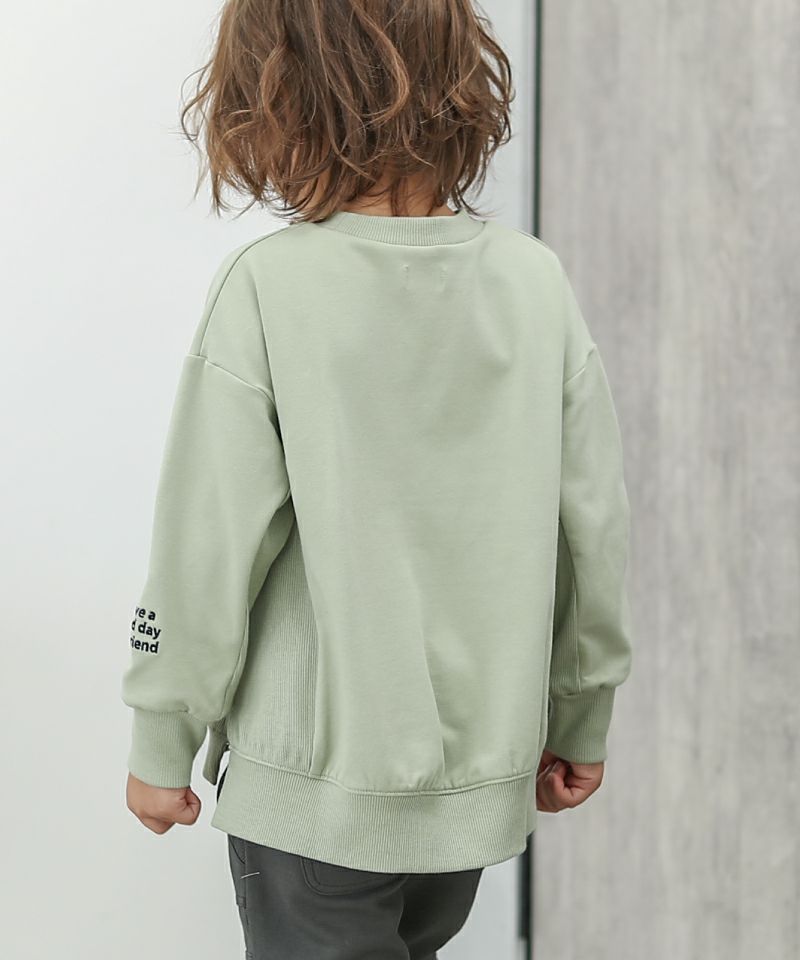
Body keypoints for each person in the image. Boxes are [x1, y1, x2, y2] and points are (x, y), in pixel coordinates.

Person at [120, 1, 634, 956]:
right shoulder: (534, 284)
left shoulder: (269, 286)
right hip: (473, 799)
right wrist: (580, 715)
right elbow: (591, 533)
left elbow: (206, 545)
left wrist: (162, 735)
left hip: (313, 798)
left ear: (278, 94)